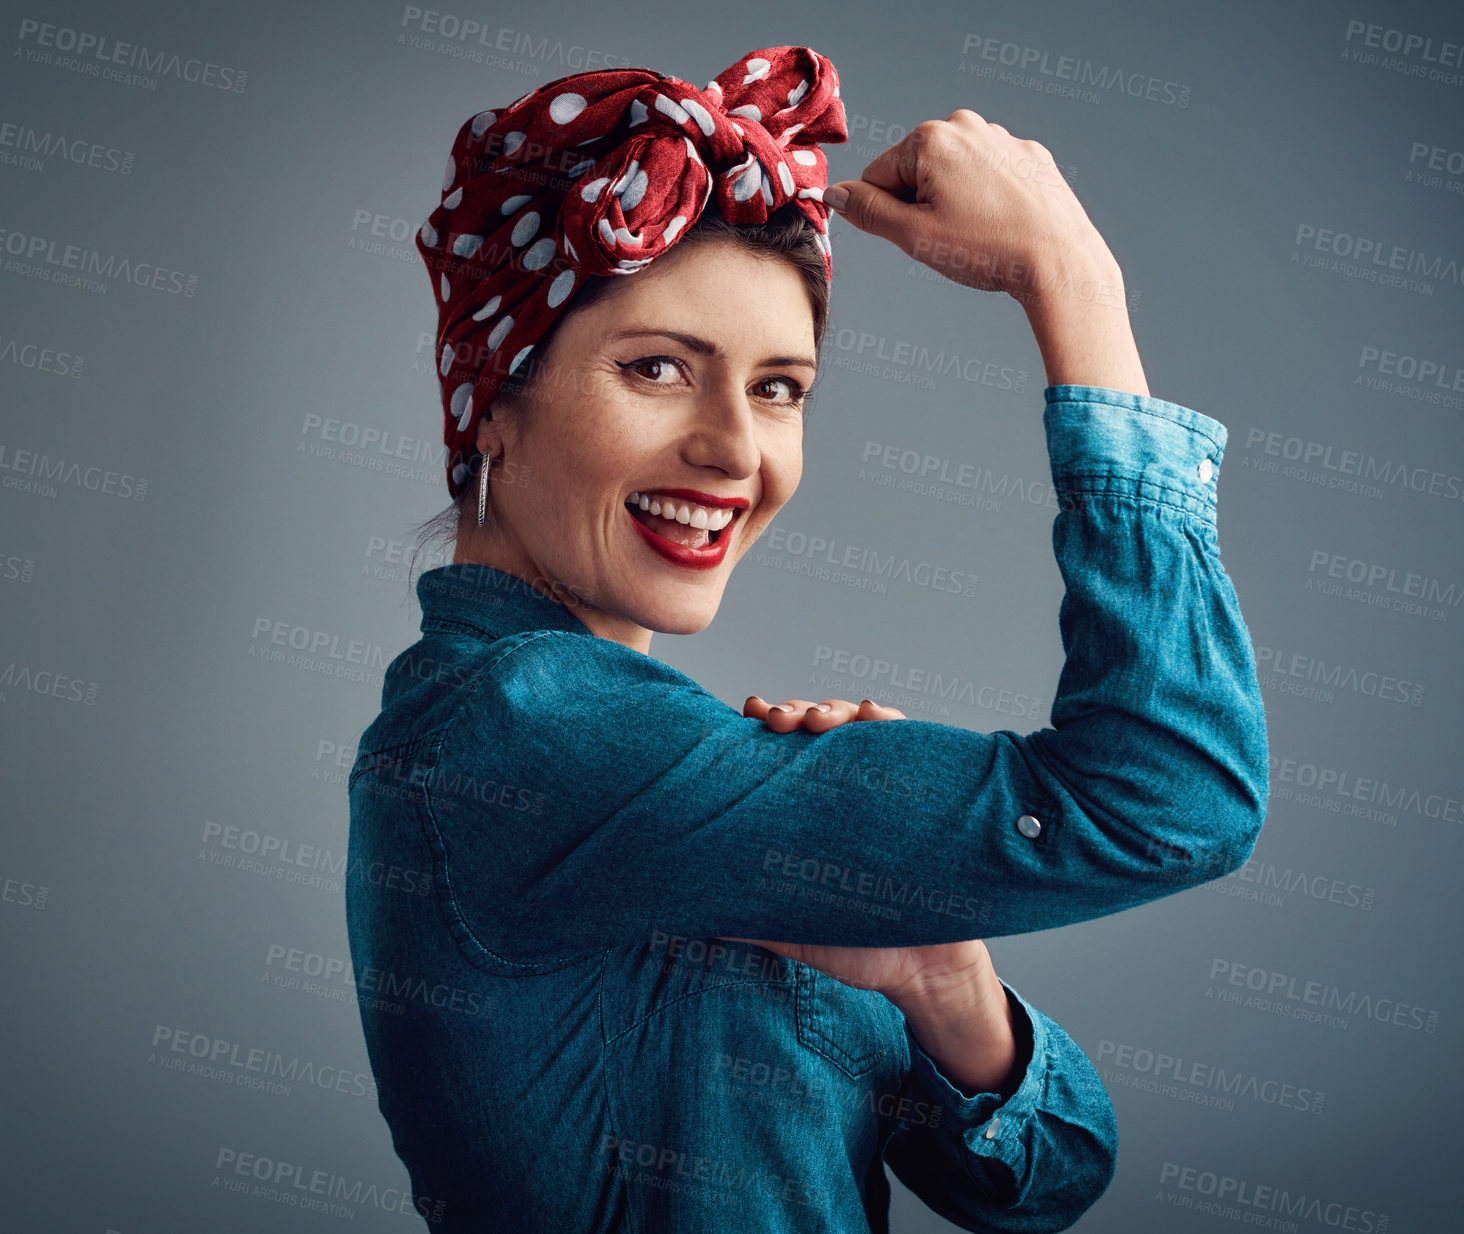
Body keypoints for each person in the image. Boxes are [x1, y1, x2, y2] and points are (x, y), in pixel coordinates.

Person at [346, 44, 1269, 1233]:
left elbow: (1044, 1176)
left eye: (779, 388)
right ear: (492, 411)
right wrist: (1073, 282)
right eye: (659, 368)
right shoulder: (519, 735)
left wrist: (941, 976)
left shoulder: (656, 760)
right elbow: (1174, 793)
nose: (735, 450)